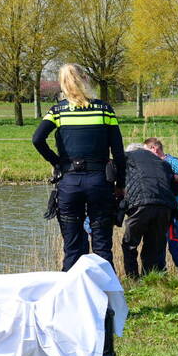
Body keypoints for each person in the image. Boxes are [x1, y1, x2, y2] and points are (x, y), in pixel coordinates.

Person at [32, 64, 125, 272]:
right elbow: (118, 153)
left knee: (72, 248)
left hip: (69, 182)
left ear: (62, 84)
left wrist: (57, 162)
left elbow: (37, 139)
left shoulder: (57, 111)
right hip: (100, 182)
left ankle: (71, 299)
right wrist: (121, 185)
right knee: (102, 247)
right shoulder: (104, 110)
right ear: (85, 79)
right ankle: (107, 301)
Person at [120, 143, 178, 278]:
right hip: (165, 207)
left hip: (140, 205)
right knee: (153, 246)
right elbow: (177, 189)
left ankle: (133, 279)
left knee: (130, 244)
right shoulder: (163, 163)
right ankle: (149, 279)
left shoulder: (126, 157)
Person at [142, 137, 178, 275]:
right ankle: (160, 275)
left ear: (154, 148)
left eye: (146, 151)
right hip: (161, 209)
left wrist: (171, 177)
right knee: (158, 241)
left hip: (175, 209)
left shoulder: (172, 162)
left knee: (173, 241)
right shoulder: (154, 165)